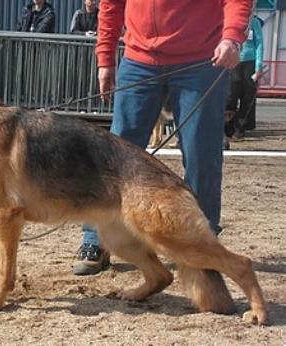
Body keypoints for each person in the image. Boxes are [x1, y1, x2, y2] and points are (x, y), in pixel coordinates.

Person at [73, 0, 252, 275]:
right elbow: (111, 4)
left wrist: (231, 37)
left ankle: (203, 245)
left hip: (202, 61)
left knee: (202, 157)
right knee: (114, 158)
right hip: (139, 60)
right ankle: (97, 239)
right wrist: (105, 59)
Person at [225, 14, 264, 139]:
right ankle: (227, 126)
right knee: (231, 94)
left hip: (250, 63)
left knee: (248, 96)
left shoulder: (254, 22)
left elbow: (259, 44)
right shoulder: (230, 19)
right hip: (233, 61)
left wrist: (258, 67)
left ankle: (240, 127)